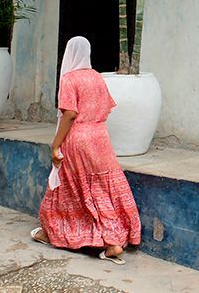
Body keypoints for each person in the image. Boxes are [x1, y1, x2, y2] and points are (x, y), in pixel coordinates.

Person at [31, 36, 141, 264]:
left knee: (67, 185)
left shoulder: (69, 79)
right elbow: (107, 107)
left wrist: (55, 144)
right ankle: (112, 242)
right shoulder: (97, 77)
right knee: (102, 186)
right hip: (100, 136)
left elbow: (69, 114)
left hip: (79, 137)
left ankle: (54, 232)